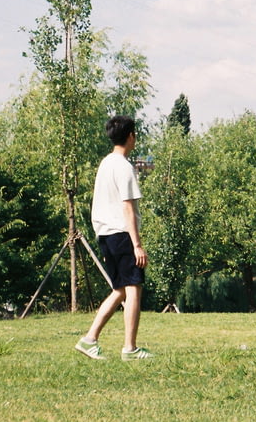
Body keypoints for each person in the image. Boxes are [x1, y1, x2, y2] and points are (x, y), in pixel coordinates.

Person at [74, 115, 153, 361]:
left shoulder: (106, 163)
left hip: (105, 233)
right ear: (131, 136)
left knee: (120, 289)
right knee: (133, 288)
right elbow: (128, 207)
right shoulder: (124, 167)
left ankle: (89, 340)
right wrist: (137, 245)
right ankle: (130, 348)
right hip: (121, 233)